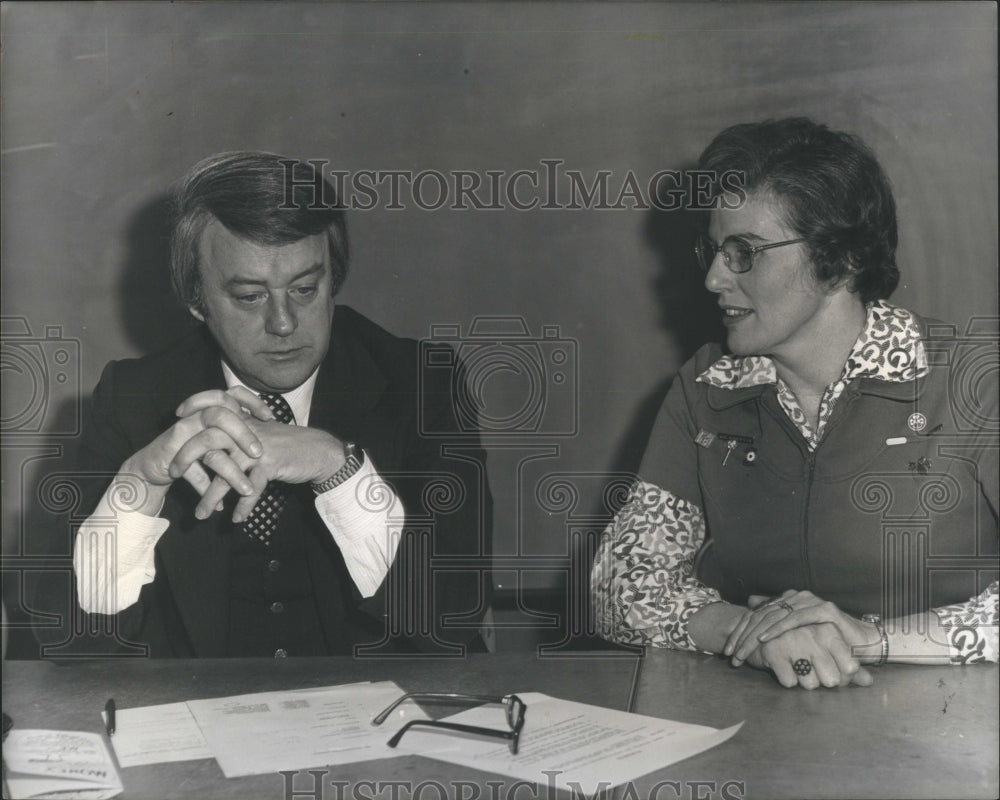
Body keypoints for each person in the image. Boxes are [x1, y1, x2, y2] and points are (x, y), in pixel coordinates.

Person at [592, 118, 998, 688]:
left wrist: (871, 640)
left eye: (744, 252)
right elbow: (618, 585)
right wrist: (752, 632)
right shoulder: (706, 387)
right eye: (712, 250)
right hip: (760, 733)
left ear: (840, 259)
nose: (713, 278)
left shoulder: (975, 379)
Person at [49, 152, 491, 657]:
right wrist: (139, 487)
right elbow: (68, 637)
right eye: (249, 297)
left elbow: (451, 617)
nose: (283, 323)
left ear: (333, 280)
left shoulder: (421, 383)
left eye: (304, 289)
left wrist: (338, 467)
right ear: (197, 300)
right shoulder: (132, 398)